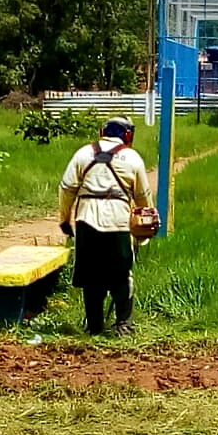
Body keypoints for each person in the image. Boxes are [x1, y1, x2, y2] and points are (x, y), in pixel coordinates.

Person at [58, 115, 152, 335]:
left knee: (91, 278)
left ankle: (94, 328)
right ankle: (124, 326)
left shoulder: (83, 153)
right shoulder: (132, 158)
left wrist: (64, 218)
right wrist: (145, 228)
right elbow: (143, 197)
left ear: (102, 133)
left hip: (86, 223)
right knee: (122, 276)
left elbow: (66, 189)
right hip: (118, 224)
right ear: (128, 135)